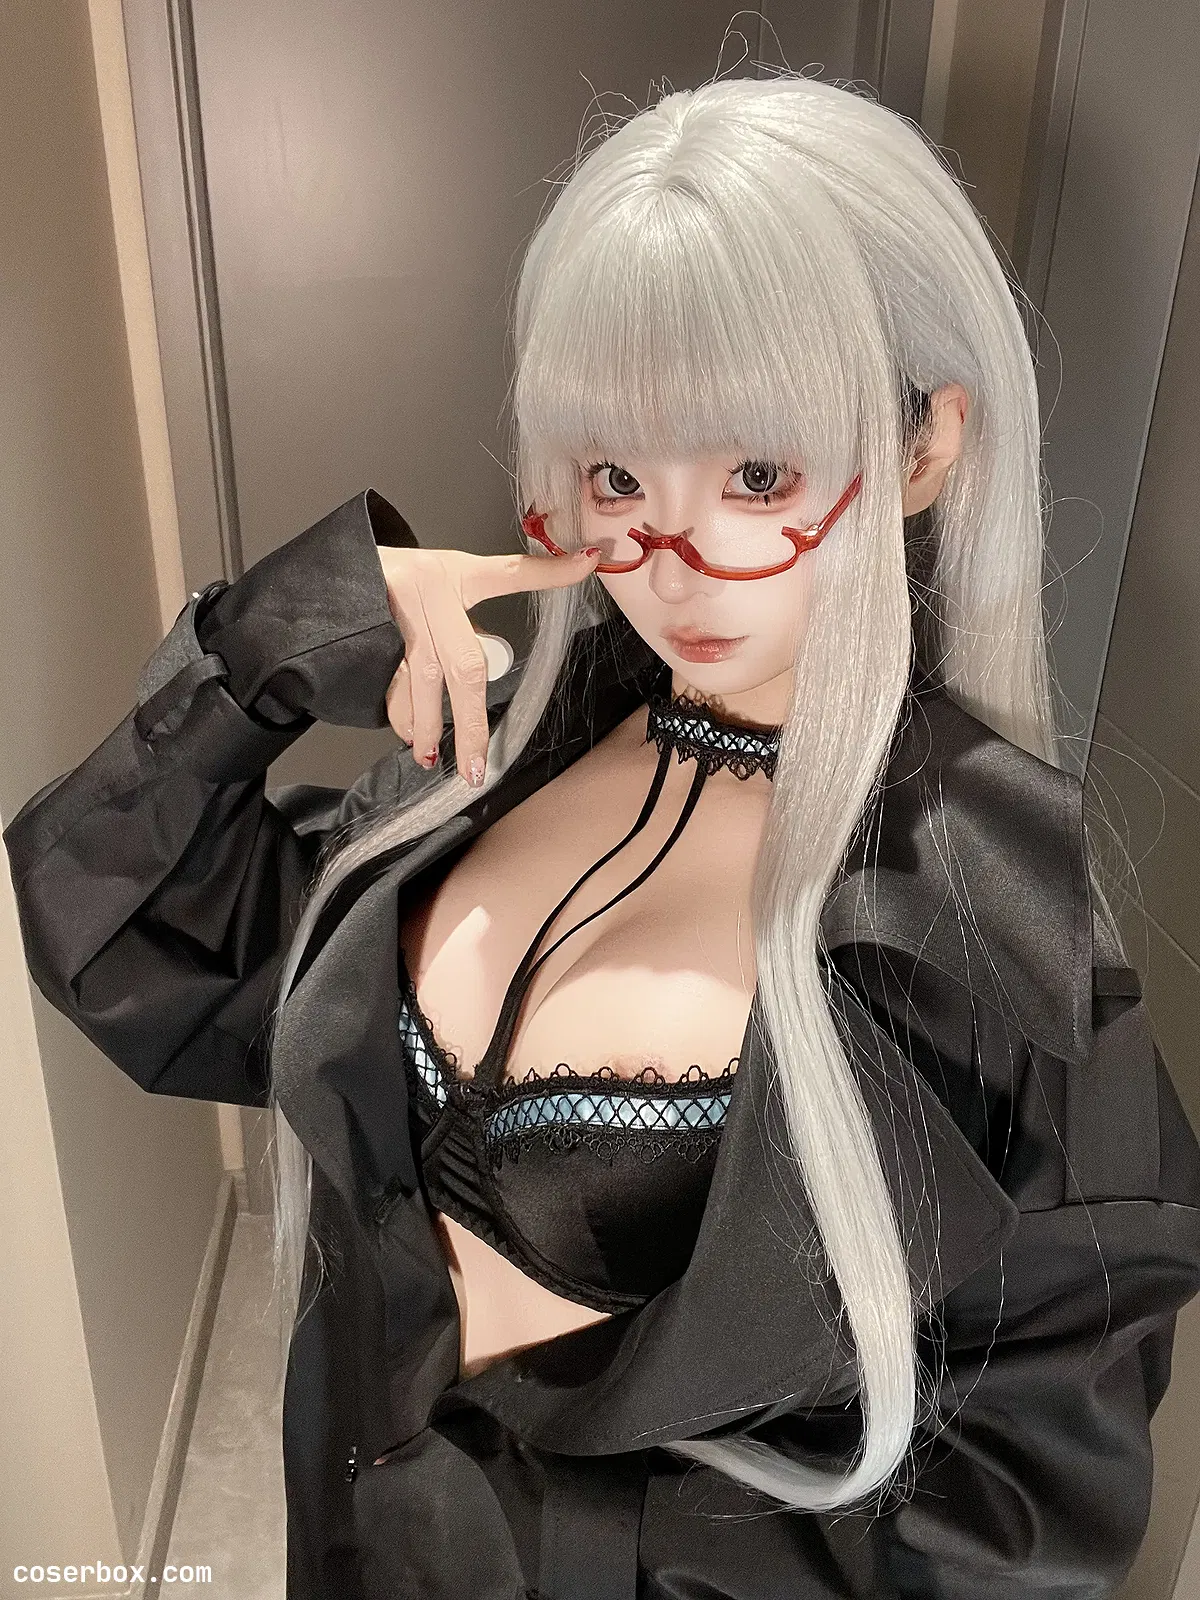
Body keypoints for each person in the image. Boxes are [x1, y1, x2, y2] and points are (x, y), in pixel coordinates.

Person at [7, 71, 1200, 1600]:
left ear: (922, 450)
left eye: (757, 473)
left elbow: (1022, 1521)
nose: (671, 560)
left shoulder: (987, 918)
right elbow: (116, 928)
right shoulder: (487, 768)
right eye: (620, 475)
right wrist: (284, 637)